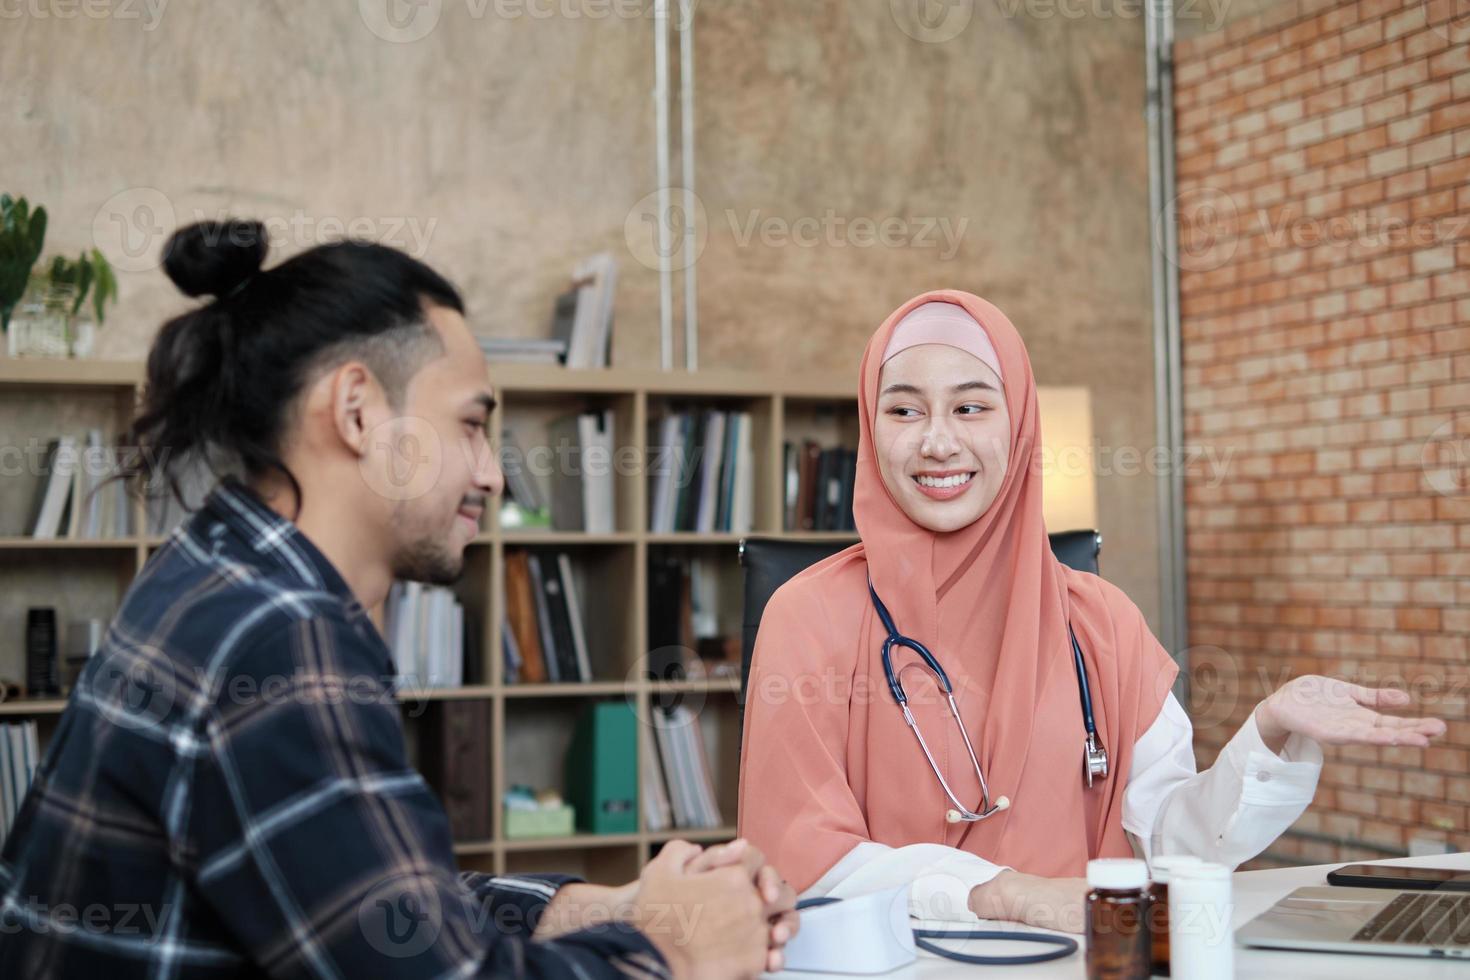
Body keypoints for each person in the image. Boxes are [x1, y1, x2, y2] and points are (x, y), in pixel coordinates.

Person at [0, 220, 797, 979]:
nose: (491, 475)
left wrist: (605, 908)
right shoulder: (279, 644)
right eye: (471, 425)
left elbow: (379, 907)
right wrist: (674, 953)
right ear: (356, 411)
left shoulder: (216, 571)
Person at [738, 290, 1446, 934]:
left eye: (971, 406)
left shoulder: (1099, 620)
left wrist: (1268, 734)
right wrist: (1005, 891)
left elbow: (1169, 841)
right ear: (871, 424)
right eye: (904, 409)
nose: (938, 441)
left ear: (1018, 428)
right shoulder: (808, 616)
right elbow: (803, 861)